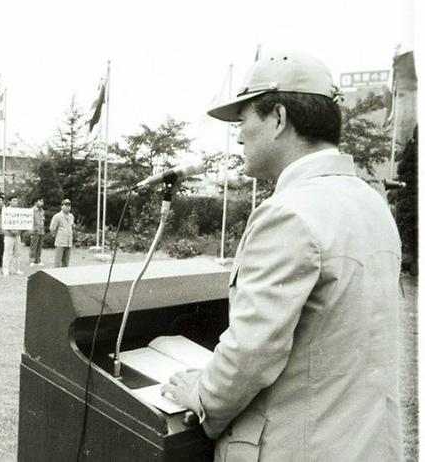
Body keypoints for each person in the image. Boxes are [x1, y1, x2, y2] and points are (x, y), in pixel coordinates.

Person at [162, 51, 403, 460]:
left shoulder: (288, 212)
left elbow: (251, 353)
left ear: (277, 118)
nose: (238, 137)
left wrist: (201, 393)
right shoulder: (370, 201)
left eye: (243, 121)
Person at [2, 195, 24, 276]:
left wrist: (18, 230)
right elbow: (5, 222)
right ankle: (5, 269)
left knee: (17, 253)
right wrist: (11, 230)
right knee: (7, 252)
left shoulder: (19, 211)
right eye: (14, 200)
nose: (16, 202)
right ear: (9, 202)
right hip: (8, 234)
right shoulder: (6, 210)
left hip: (17, 234)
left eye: (16, 200)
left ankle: (16, 269)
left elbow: (23, 222)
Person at [49, 199, 74, 267]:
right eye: (66, 205)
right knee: (57, 262)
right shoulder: (57, 216)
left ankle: (64, 276)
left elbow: (71, 227)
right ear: (62, 206)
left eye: (69, 205)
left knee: (66, 263)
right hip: (60, 242)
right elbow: (52, 228)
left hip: (68, 242)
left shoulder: (71, 216)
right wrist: (56, 236)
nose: (68, 207)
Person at [28, 197, 45, 266]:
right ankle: (31, 260)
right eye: (40, 201)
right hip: (34, 231)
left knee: (39, 246)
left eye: (42, 201)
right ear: (35, 202)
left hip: (41, 230)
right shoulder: (32, 210)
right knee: (33, 246)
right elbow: (29, 221)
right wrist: (31, 231)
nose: (41, 203)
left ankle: (38, 260)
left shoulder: (42, 211)